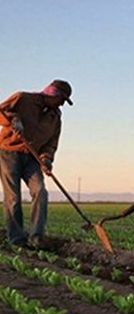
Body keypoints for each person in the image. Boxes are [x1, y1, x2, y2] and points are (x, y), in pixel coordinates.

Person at [0, 80, 73, 247]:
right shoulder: (23, 98)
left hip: (32, 158)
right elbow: (1, 112)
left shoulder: (55, 119)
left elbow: (51, 144)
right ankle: (17, 239)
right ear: (52, 93)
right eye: (61, 99)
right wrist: (13, 119)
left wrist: (46, 159)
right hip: (9, 153)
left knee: (40, 192)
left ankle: (36, 237)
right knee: (13, 197)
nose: (62, 104)